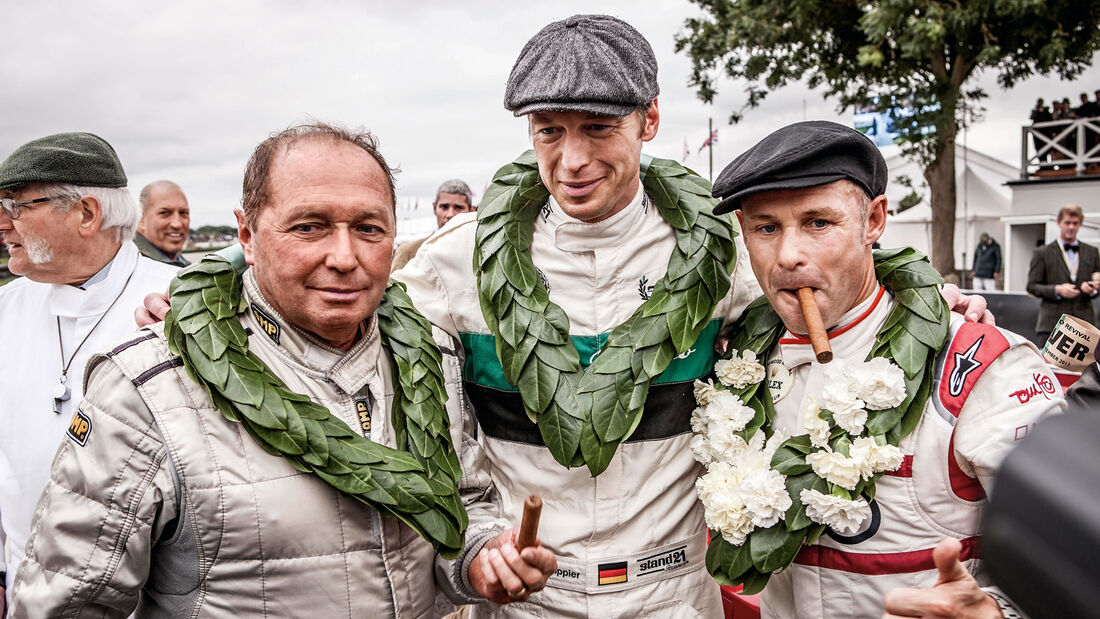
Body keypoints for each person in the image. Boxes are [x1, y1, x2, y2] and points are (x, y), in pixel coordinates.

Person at [9, 123, 552, 617]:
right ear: (246, 235)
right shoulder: (149, 390)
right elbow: (66, 602)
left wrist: (482, 558)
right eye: (309, 227)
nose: (344, 257)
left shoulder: (431, 357)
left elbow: (464, 503)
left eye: (368, 229)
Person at [708, 120, 1063, 619]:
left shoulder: (985, 367)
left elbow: (1072, 560)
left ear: (874, 221)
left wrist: (998, 613)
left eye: (818, 223)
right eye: (766, 228)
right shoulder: (734, 362)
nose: (788, 255)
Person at [0, 132, 177, 614]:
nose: (2, 222)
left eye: (16, 206)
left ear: (87, 214)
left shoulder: (181, 306)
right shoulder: (5, 309)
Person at [1027, 204, 1100, 346]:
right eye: (1067, 223)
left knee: (1084, 369)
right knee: (1050, 368)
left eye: (1075, 223)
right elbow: (1031, 286)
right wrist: (1057, 290)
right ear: (1059, 223)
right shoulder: (1043, 252)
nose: (1071, 227)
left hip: (1084, 326)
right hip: (1051, 325)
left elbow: (1097, 285)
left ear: (1080, 224)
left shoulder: (1092, 252)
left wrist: (1092, 289)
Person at [391, 179, 474, 272]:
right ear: (435, 208)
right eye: (444, 207)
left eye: (458, 208)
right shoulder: (409, 252)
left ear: (471, 211)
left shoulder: (480, 253)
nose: (450, 214)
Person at [134, 180, 191, 266]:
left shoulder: (184, 267)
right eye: (164, 213)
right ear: (141, 219)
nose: (177, 224)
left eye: (183, 213)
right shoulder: (132, 267)